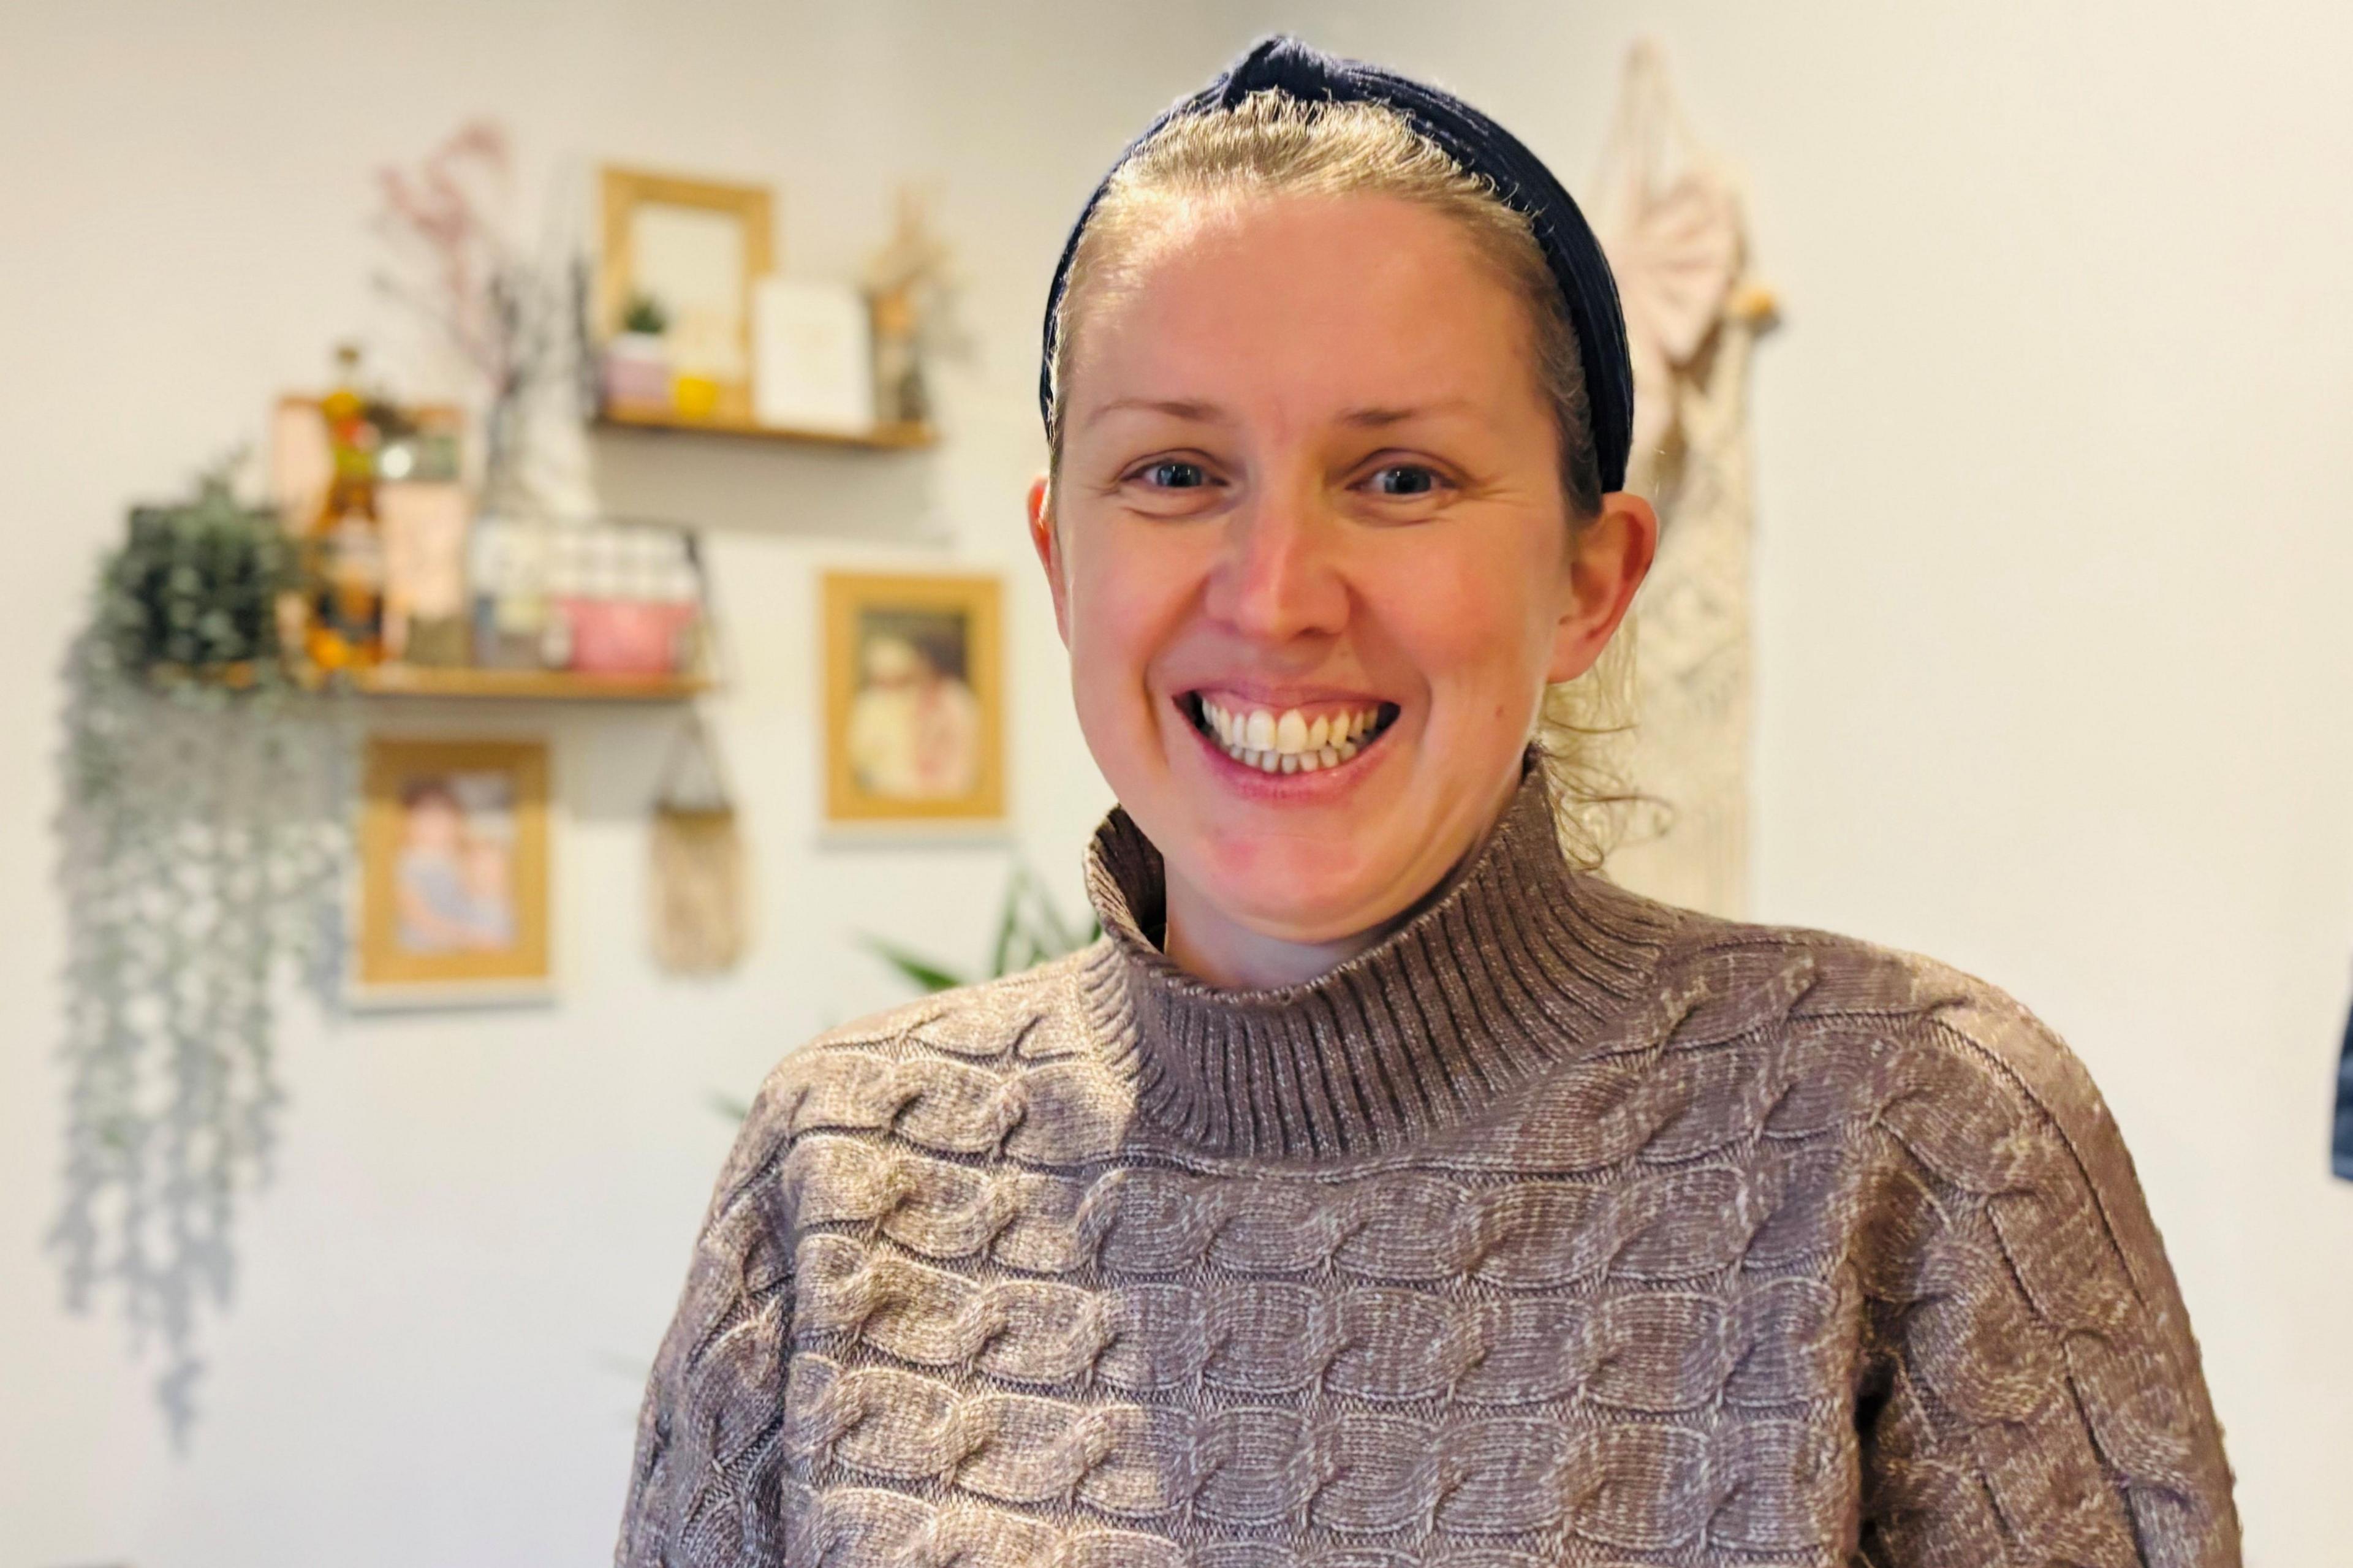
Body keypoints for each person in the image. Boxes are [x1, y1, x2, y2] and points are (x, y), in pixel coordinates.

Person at [616, 37, 2238, 1568]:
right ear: (1060, 560)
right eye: (1176, 473)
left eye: (1401, 479)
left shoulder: (1917, 1143)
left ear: (1592, 581)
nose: (1276, 594)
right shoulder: (845, 1170)